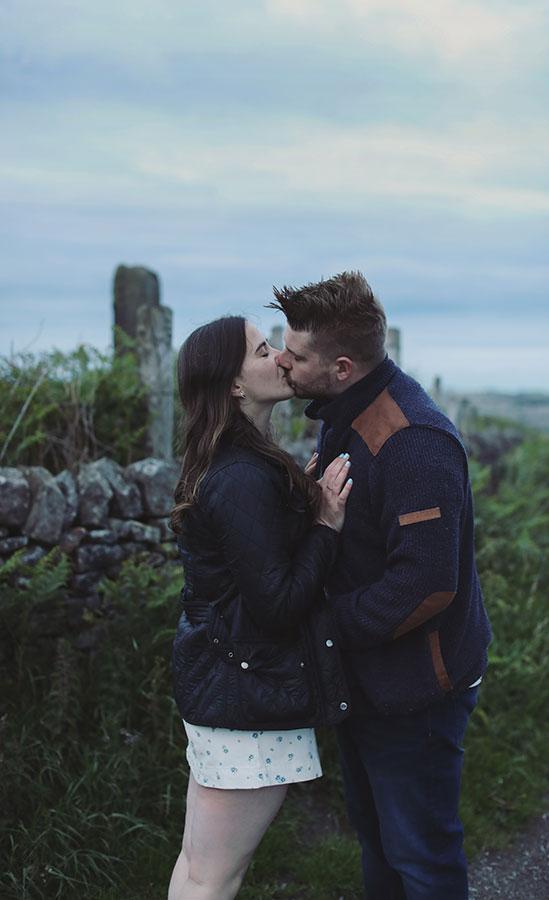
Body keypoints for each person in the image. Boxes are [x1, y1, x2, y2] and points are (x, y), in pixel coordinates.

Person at [267, 271, 492, 900]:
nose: (283, 361)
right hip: (366, 682)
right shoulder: (345, 411)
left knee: (422, 857)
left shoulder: (412, 440)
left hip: (419, 690)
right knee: (380, 847)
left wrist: (319, 628)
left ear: (341, 367)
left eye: (297, 354)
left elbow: (425, 585)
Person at [167, 315, 353, 900]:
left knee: (199, 863)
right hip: (244, 698)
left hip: (227, 687)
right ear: (234, 386)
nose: (281, 356)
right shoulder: (243, 474)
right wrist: (324, 526)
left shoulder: (238, 462)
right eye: (263, 348)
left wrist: (297, 510)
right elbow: (276, 607)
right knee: (213, 875)